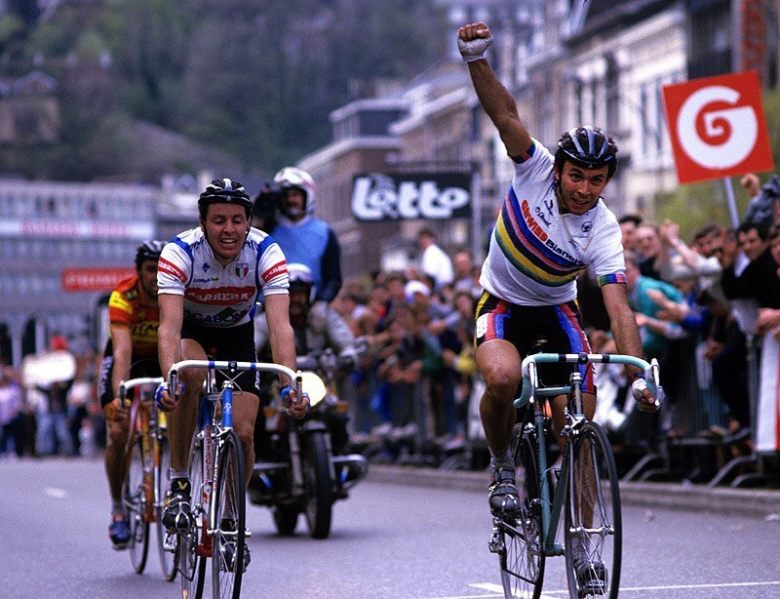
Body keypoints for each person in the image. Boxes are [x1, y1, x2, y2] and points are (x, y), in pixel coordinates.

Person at [457, 21, 657, 591]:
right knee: (498, 377)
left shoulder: (604, 227)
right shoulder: (535, 167)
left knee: (581, 427)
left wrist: (640, 370)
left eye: (597, 181)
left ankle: (587, 547)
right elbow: (505, 114)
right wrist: (476, 60)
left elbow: (619, 309)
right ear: (560, 167)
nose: (584, 189)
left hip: (558, 313)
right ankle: (501, 469)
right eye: (578, 176)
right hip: (503, 302)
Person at [155, 178, 308, 565]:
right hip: (193, 333)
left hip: (238, 334)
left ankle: (230, 519)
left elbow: (279, 327)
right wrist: (168, 377)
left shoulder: (266, 251)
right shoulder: (179, 252)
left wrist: (290, 382)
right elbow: (169, 328)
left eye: (237, 220)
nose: (229, 230)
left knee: (243, 432)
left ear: (249, 221)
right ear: (203, 223)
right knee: (189, 377)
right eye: (219, 220)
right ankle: (179, 482)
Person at [97, 240, 164, 549]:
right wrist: (120, 399)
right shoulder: (123, 295)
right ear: (139, 272)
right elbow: (122, 352)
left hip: (161, 358)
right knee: (119, 431)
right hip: (128, 360)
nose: (157, 276)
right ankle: (117, 508)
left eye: (162, 269)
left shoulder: (176, 292)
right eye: (151, 270)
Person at [266, 167, 343, 326]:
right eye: (285, 196)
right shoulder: (267, 232)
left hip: (314, 308)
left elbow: (334, 278)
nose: (290, 201)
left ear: (307, 196)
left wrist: (323, 302)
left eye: (295, 195)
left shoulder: (325, 232)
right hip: (274, 307)